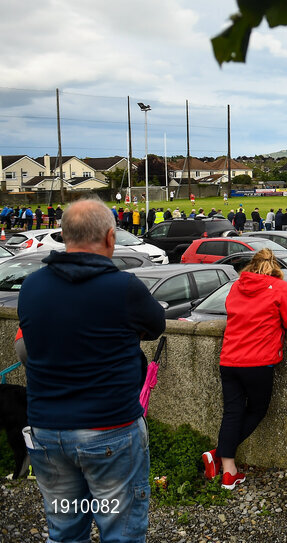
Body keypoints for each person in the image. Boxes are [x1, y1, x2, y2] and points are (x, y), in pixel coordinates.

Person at [19, 198, 166, 541]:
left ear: (64, 236)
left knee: (66, 529)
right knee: (121, 529)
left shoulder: (32, 286)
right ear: (110, 238)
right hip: (109, 430)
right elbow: (155, 325)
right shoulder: (124, 288)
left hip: (48, 432)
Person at [202, 248, 287, 490]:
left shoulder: (236, 286)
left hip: (229, 359)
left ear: (251, 266)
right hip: (258, 361)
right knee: (257, 410)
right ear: (275, 267)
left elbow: (232, 311)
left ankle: (228, 471)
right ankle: (218, 454)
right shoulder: (279, 288)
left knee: (232, 412)